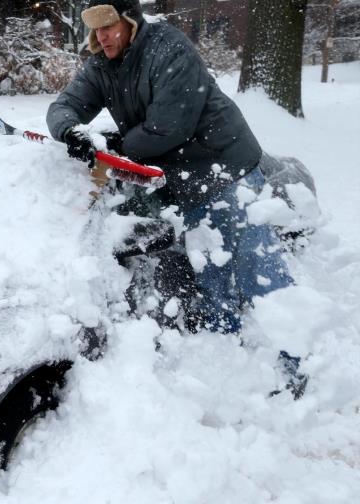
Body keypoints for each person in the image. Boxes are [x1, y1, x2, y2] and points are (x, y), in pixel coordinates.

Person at [47, 0, 306, 396]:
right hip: (186, 180)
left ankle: (297, 362)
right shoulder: (102, 65)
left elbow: (169, 126)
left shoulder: (169, 48)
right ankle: (232, 359)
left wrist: (118, 145)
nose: (102, 36)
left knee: (257, 266)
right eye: (96, 29)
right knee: (212, 272)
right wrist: (70, 131)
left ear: (130, 21)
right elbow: (64, 106)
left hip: (225, 165)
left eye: (110, 26)